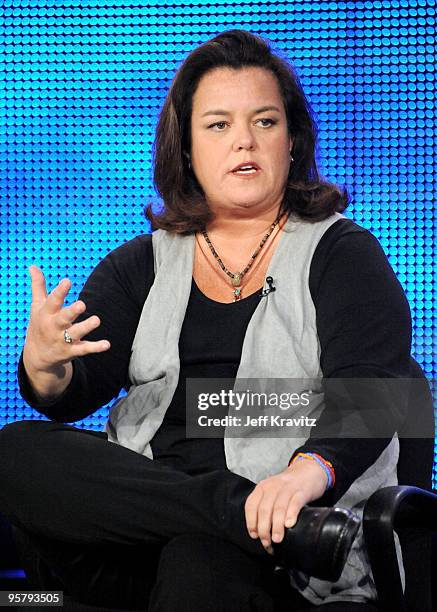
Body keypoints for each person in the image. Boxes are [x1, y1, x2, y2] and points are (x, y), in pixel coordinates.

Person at [0, 29, 417, 611]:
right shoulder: (138, 264)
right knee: (14, 450)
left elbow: (379, 395)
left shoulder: (344, 254)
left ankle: (240, 523)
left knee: (201, 562)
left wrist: (302, 479)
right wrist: (46, 368)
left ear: (293, 141)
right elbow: (74, 394)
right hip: (134, 539)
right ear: (188, 149)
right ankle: (227, 509)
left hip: (279, 546)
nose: (243, 140)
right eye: (218, 125)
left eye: (265, 122)